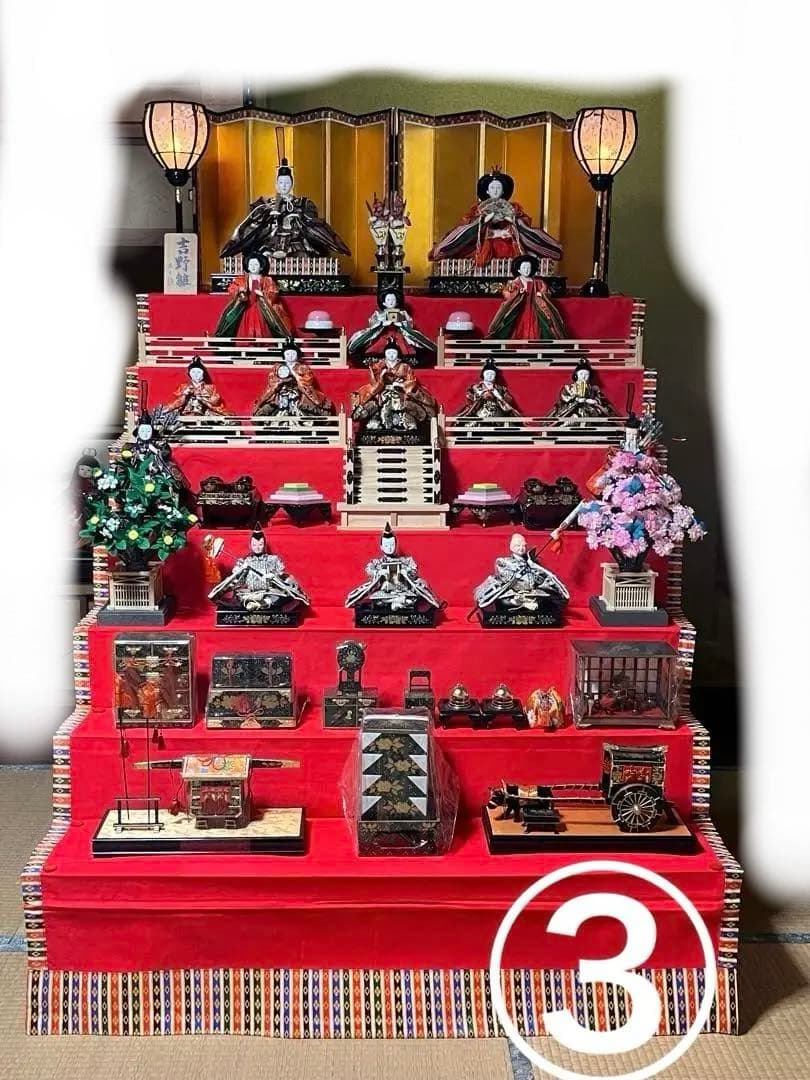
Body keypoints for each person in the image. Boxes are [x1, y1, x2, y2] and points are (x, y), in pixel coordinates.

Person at [220, 158, 351, 261]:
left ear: (292, 184)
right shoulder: (266, 204)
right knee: (262, 256)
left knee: (302, 257)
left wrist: (297, 215)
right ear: (276, 184)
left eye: (287, 183)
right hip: (271, 241)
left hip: (295, 241)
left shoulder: (303, 203)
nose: (284, 186)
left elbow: (312, 221)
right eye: (281, 183)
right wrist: (268, 213)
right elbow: (253, 223)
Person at [428, 168, 562, 268]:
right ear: (487, 190)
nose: (495, 190)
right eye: (492, 188)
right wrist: (483, 221)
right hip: (483, 241)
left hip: (508, 240)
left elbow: (524, 224)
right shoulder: (477, 209)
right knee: (474, 249)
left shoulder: (514, 208)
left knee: (520, 250)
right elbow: (466, 225)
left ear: (503, 191)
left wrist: (512, 222)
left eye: (499, 187)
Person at [207, 524, 310, 612]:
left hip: (268, 592)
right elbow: (237, 583)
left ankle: (261, 604)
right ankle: (254, 604)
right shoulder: (244, 561)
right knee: (238, 598)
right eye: (254, 544)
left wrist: (273, 576)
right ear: (250, 545)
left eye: (260, 544)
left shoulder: (273, 559)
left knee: (282, 596)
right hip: (250, 592)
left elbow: (282, 577)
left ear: (264, 544)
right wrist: (241, 571)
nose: (257, 547)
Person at [345, 524, 443, 613]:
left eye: (392, 545)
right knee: (375, 599)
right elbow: (369, 569)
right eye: (386, 545)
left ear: (396, 545)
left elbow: (413, 568)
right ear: (381, 547)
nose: (389, 548)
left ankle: (398, 602)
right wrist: (378, 572)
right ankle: (399, 603)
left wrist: (406, 571)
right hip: (384, 591)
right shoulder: (376, 562)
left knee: (418, 591)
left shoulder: (405, 561)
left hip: (402, 590)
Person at [352, 338, 439, 434]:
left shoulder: (405, 367)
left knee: (406, 405)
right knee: (376, 405)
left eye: (394, 352)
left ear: (398, 354)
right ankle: (376, 421)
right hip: (382, 391)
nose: (391, 355)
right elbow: (374, 382)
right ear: (385, 354)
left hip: (400, 391)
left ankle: (407, 421)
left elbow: (411, 381)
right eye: (388, 353)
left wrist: (401, 385)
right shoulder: (378, 366)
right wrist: (381, 377)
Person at [473, 532, 569, 613]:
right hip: (513, 592)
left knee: (547, 598)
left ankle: (528, 603)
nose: (522, 548)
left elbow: (540, 579)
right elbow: (505, 578)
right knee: (503, 600)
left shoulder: (532, 561)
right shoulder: (503, 561)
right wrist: (518, 573)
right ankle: (522, 604)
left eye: (524, 545)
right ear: (511, 547)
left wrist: (534, 566)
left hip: (531, 592)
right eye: (518, 546)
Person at [213, 253, 294, 339]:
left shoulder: (267, 280)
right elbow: (232, 289)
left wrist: (263, 294)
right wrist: (240, 292)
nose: (253, 267)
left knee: (266, 325)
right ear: (247, 266)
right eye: (251, 264)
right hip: (245, 306)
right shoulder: (241, 279)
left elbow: (273, 291)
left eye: (256, 264)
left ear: (261, 267)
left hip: (262, 307)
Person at [487, 255, 567, 340]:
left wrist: (542, 294)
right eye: (524, 268)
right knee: (514, 327)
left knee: (540, 327)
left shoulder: (539, 283)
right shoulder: (514, 282)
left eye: (529, 268)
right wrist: (517, 293)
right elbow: (506, 293)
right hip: (519, 308)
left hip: (535, 309)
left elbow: (546, 293)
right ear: (518, 269)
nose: (526, 270)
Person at [347, 288, 435, 364]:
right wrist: (381, 324)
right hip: (382, 334)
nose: (391, 302)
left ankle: (405, 360)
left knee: (411, 350)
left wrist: (401, 324)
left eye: (393, 300)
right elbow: (372, 325)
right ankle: (378, 360)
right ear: (384, 303)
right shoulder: (378, 314)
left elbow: (410, 324)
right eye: (388, 300)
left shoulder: (402, 313)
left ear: (397, 302)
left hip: (399, 335)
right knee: (373, 350)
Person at [253, 341, 333, 417]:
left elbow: (308, 380)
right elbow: (272, 380)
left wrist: (296, 376)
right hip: (281, 390)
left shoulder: (303, 367)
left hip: (298, 390)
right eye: (288, 354)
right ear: (284, 355)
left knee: (304, 403)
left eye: (293, 353)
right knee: (274, 403)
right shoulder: (277, 367)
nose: (290, 356)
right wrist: (280, 381)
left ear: (297, 355)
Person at [549, 359, 614, 419]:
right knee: (575, 417)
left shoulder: (593, 389)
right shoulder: (569, 387)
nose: (583, 376)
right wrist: (577, 400)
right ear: (576, 375)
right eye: (581, 374)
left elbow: (599, 399)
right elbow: (565, 396)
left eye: (586, 374)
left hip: (589, 409)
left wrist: (595, 401)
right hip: (573, 409)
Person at [165, 357, 229, 416]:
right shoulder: (183, 387)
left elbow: (215, 402)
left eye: (198, 372)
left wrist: (202, 399)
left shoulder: (210, 388)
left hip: (205, 415)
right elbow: (174, 403)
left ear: (203, 374)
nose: (196, 374)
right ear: (189, 374)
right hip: (186, 414)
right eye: (193, 372)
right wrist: (184, 395)